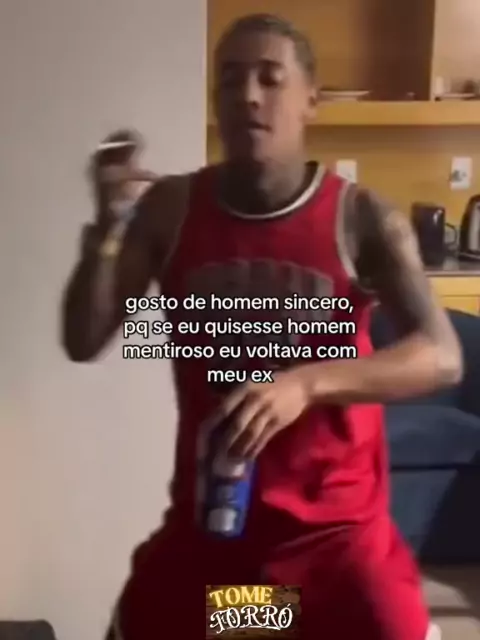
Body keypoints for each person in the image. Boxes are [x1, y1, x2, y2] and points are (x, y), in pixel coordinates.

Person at [62, 13, 461, 640]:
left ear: (310, 102)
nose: (248, 95)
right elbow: (83, 340)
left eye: (270, 79)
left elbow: (441, 355)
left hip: (335, 544)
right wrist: (108, 229)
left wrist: (306, 383)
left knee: (390, 628)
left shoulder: (363, 219)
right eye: (230, 80)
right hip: (218, 536)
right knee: (161, 624)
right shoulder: (171, 211)